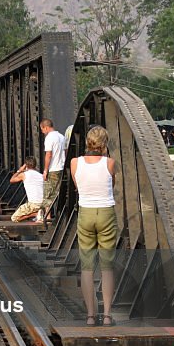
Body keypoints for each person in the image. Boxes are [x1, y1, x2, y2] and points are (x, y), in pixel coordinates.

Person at [70, 125, 118, 326]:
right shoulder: (110, 163)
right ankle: (106, 315)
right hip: (106, 212)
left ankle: (90, 315)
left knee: (87, 267)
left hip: (86, 213)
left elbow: (77, 186)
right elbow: (112, 184)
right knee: (107, 267)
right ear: (104, 143)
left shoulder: (75, 163)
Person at [37, 118, 67, 223]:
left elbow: (48, 155)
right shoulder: (62, 137)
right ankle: (62, 216)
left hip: (53, 169)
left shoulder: (49, 138)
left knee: (47, 193)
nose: (42, 132)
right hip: (62, 168)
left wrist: (45, 170)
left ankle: (48, 217)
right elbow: (65, 152)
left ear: (45, 127)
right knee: (59, 192)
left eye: (42, 129)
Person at [9, 157, 44, 222]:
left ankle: (35, 214)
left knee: (14, 218)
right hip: (43, 203)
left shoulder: (24, 175)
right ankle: (39, 214)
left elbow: (11, 180)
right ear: (35, 165)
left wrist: (19, 170)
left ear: (25, 165)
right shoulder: (41, 175)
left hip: (33, 204)